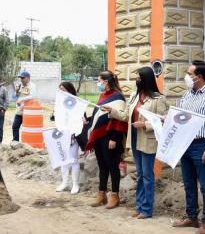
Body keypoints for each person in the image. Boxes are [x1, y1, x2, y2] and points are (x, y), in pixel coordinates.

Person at [171, 60, 205, 234]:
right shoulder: (187, 95)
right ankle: (191, 216)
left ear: (199, 77)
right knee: (188, 183)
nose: (187, 76)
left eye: (189, 74)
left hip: (202, 144)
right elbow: (181, 117)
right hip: (185, 143)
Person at [109, 67, 168, 219]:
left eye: (139, 78)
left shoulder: (158, 99)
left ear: (146, 80)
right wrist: (112, 111)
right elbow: (125, 116)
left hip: (148, 140)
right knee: (140, 174)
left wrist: (145, 125)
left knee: (148, 175)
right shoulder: (134, 97)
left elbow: (163, 120)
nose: (137, 81)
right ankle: (140, 206)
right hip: (134, 138)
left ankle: (147, 209)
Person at [88, 71, 128, 209]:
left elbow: (121, 120)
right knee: (102, 166)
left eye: (99, 80)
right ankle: (102, 194)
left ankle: (115, 195)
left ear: (106, 82)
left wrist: (114, 138)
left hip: (111, 137)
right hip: (99, 136)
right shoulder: (103, 95)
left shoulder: (118, 97)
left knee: (112, 167)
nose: (98, 83)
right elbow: (99, 115)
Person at [53, 81, 83, 195]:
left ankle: (75, 184)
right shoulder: (58, 104)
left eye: (63, 90)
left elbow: (81, 119)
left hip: (73, 136)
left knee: (73, 159)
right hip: (61, 135)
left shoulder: (77, 103)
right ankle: (64, 182)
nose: (61, 93)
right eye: (59, 90)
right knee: (63, 160)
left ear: (70, 91)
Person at [12, 71, 37, 144]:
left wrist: (21, 99)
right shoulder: (20, 86)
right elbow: (14, 97)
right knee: (15, 126)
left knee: (27, 129)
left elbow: (33, 96)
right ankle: (15, 143)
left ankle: (27, 144)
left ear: (28, 78)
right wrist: (16, 92)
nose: (21, 79)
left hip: (28, 112)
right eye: (20, 78)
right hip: (19, 111)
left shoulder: (32, 86)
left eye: (23, 78)